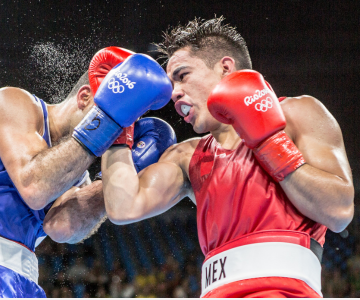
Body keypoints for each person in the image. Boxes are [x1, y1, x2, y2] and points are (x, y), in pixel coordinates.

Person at [101, 16, 355, 298]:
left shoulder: (296, 114)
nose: (174, 93)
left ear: (225, 68)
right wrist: (116, 123)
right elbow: (123, 208)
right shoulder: (186, 156)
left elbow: (339, 212)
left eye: (182, 75)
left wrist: (269, 142)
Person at [0, 46, 175, 298]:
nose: (119, 131)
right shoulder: (13, 103)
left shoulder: (76, 170)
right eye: (116, 116)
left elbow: (62, 228)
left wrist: (119, 178)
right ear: (85, 97)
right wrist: (110, 119)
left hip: (21, 275)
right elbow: (34, 186)